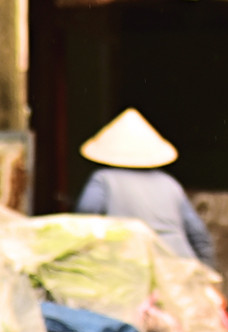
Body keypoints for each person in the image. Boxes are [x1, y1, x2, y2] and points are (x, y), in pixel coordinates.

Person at [74, 108, 217, 268]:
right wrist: (206, 274)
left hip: (131, 270)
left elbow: (83, 223)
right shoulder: (169, 182)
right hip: (177, 269)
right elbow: (199, 235)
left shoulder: (103, 179)